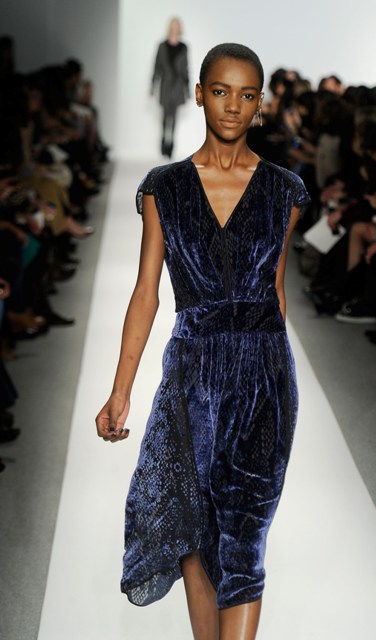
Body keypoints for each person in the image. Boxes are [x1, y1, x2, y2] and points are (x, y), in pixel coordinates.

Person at [96, 43, 310, 639]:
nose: (233, 105)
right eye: (220, 91)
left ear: (260, 104)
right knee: (196, 531)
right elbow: (146, 292)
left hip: (264, 377)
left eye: (246, 94)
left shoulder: (285, 190)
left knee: (245, 535)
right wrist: (121, 392)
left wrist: (277, 376)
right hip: (191, 376)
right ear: (198, 94)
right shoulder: (163, 188)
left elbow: (275, 291)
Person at [151, 17, 189, 158]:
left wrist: (188, 90)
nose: (175, 29)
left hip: (178, 85)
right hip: (165, 84)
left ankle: (171, 144)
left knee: (174, 116)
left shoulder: (183, 47)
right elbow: (156, 67)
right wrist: (152, 86)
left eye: (177, 26)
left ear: (180, 29)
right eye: (173, 26)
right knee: (165, 115)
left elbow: (185, 69)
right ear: (170, 28)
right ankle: (163, 141)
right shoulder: (162, 46)